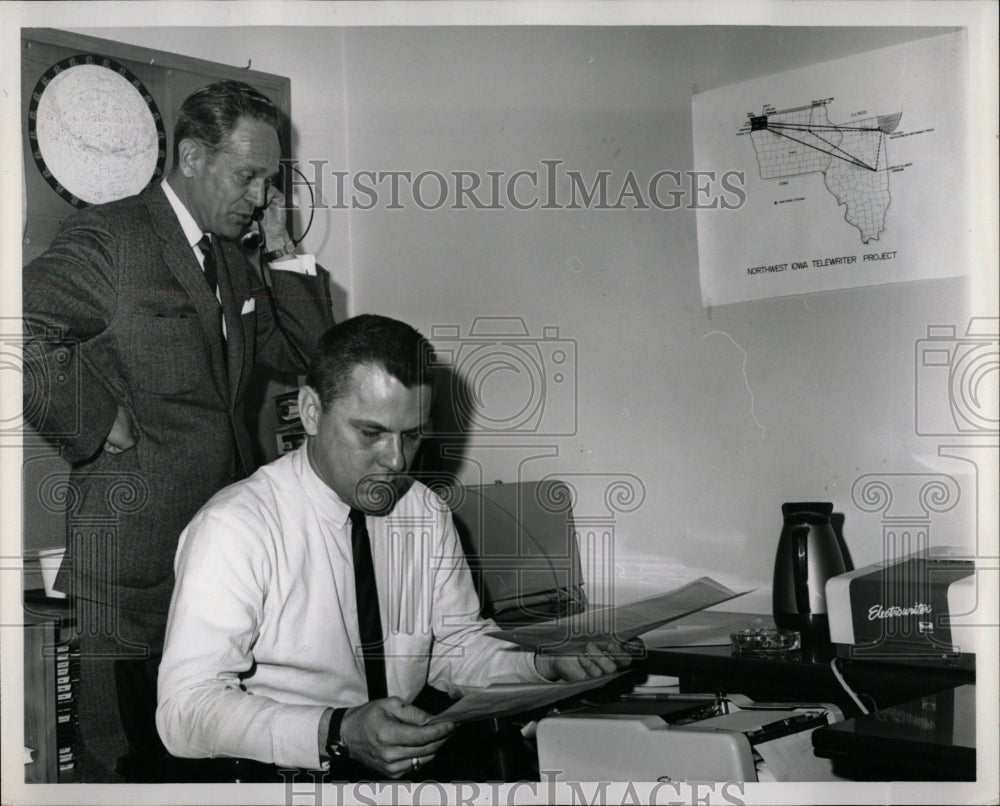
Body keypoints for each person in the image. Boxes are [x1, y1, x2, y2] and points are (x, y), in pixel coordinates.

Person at [156, 315, 637, 779]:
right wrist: (336, 730)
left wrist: (544, 665)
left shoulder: (423, 511)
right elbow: (184, 711)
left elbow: (456, 649)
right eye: (371, 433)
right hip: (282, 779)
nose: (396, 459)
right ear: (310, 412)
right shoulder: (236, 527)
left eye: (411, 435)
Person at [21, 79, 334, 782]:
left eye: (270, 180)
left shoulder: (230, 256)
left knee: (205, 761)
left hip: (220, 563)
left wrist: (282, 248)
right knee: (124, 766)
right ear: (191, 157)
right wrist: (94, 421)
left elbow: (314, 361)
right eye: (247, 176)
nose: (259, 196)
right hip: (131, 565)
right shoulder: (114, 238)